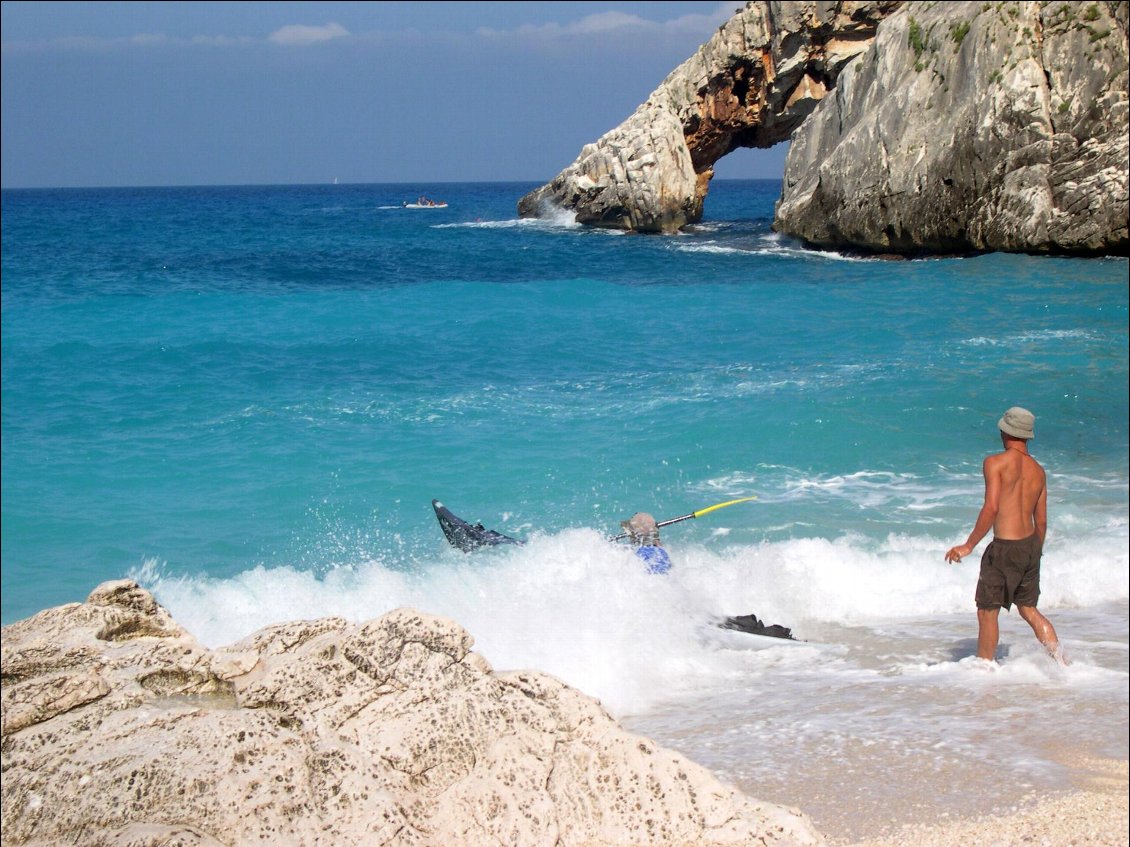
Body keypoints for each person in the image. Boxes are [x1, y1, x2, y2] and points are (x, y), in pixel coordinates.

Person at [945, 407, 1066, 664]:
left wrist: (968, 545)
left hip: (1004, 548)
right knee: (1029, 609)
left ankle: (984, 669)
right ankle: (1062, 664)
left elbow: (992, 507)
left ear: (1005, 431)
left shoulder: (995, 463)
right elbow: (1041, 520)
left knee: (987, 612)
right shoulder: (1038, 471)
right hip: (1030, 546)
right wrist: (1036, 553)